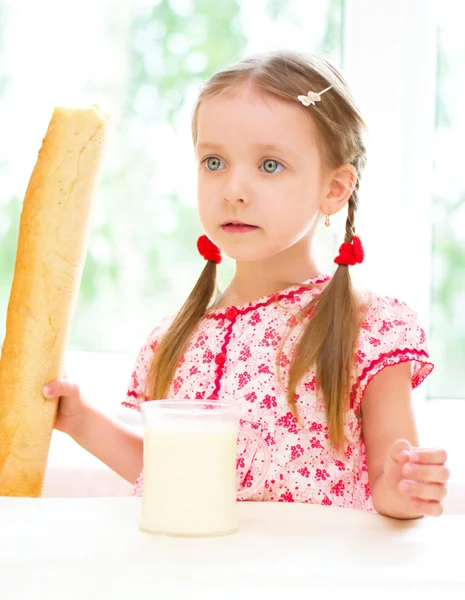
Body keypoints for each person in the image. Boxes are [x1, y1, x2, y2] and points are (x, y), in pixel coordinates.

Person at [43, 51, 450, 519]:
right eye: (214, 162)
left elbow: (389, 478)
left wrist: (407, 488)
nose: (233, 189)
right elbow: (172, 478)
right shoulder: (175, 338)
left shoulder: (368, 326)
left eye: (270, 165)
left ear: (334, 189)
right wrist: (80, 421)